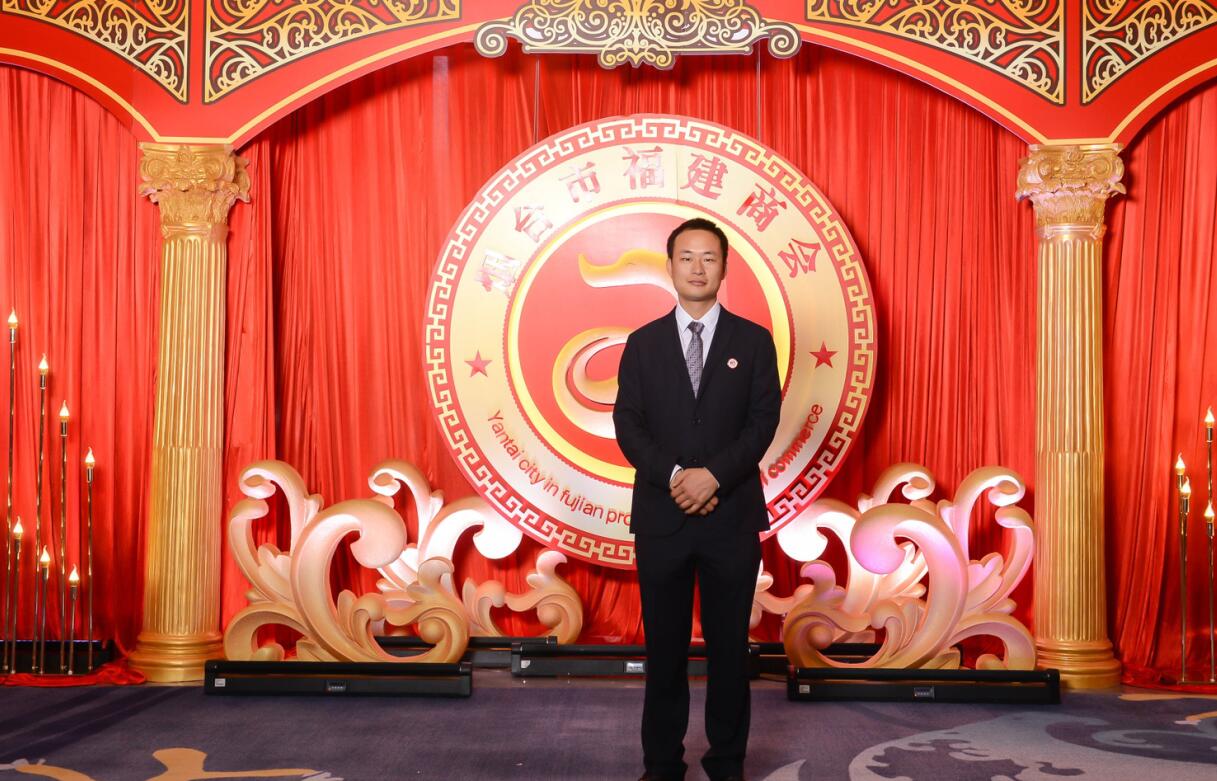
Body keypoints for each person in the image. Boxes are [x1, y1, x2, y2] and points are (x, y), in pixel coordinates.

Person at [613, 217, 782, 781]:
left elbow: (762, 422)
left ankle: (727, 763)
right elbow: (628, 425)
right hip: (662, 518)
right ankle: (662, 764)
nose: (697, 267)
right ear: (670, 266)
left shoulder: (753, 341)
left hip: (730, 516)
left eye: (709, 257)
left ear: (724, 267)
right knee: (664, 649)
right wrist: (678, 477)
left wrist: (713, 477)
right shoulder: (642, 344)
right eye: (686, 257)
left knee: (729, 649)